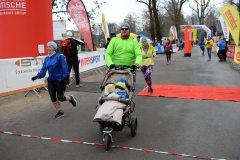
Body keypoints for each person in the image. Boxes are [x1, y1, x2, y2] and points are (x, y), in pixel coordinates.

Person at [31, 42, 77, 119]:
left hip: (60, 80)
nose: (48, 48)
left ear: (54, 48)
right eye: (47, 47)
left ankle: (70, 98)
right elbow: (44, 69)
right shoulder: (47, 58)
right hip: (51, 80)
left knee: (61, 98)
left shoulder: (59, 57)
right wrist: (37, 76)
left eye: (50, 47)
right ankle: (60, 111)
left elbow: (65, 67)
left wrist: (64, 77)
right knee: (53, 97)